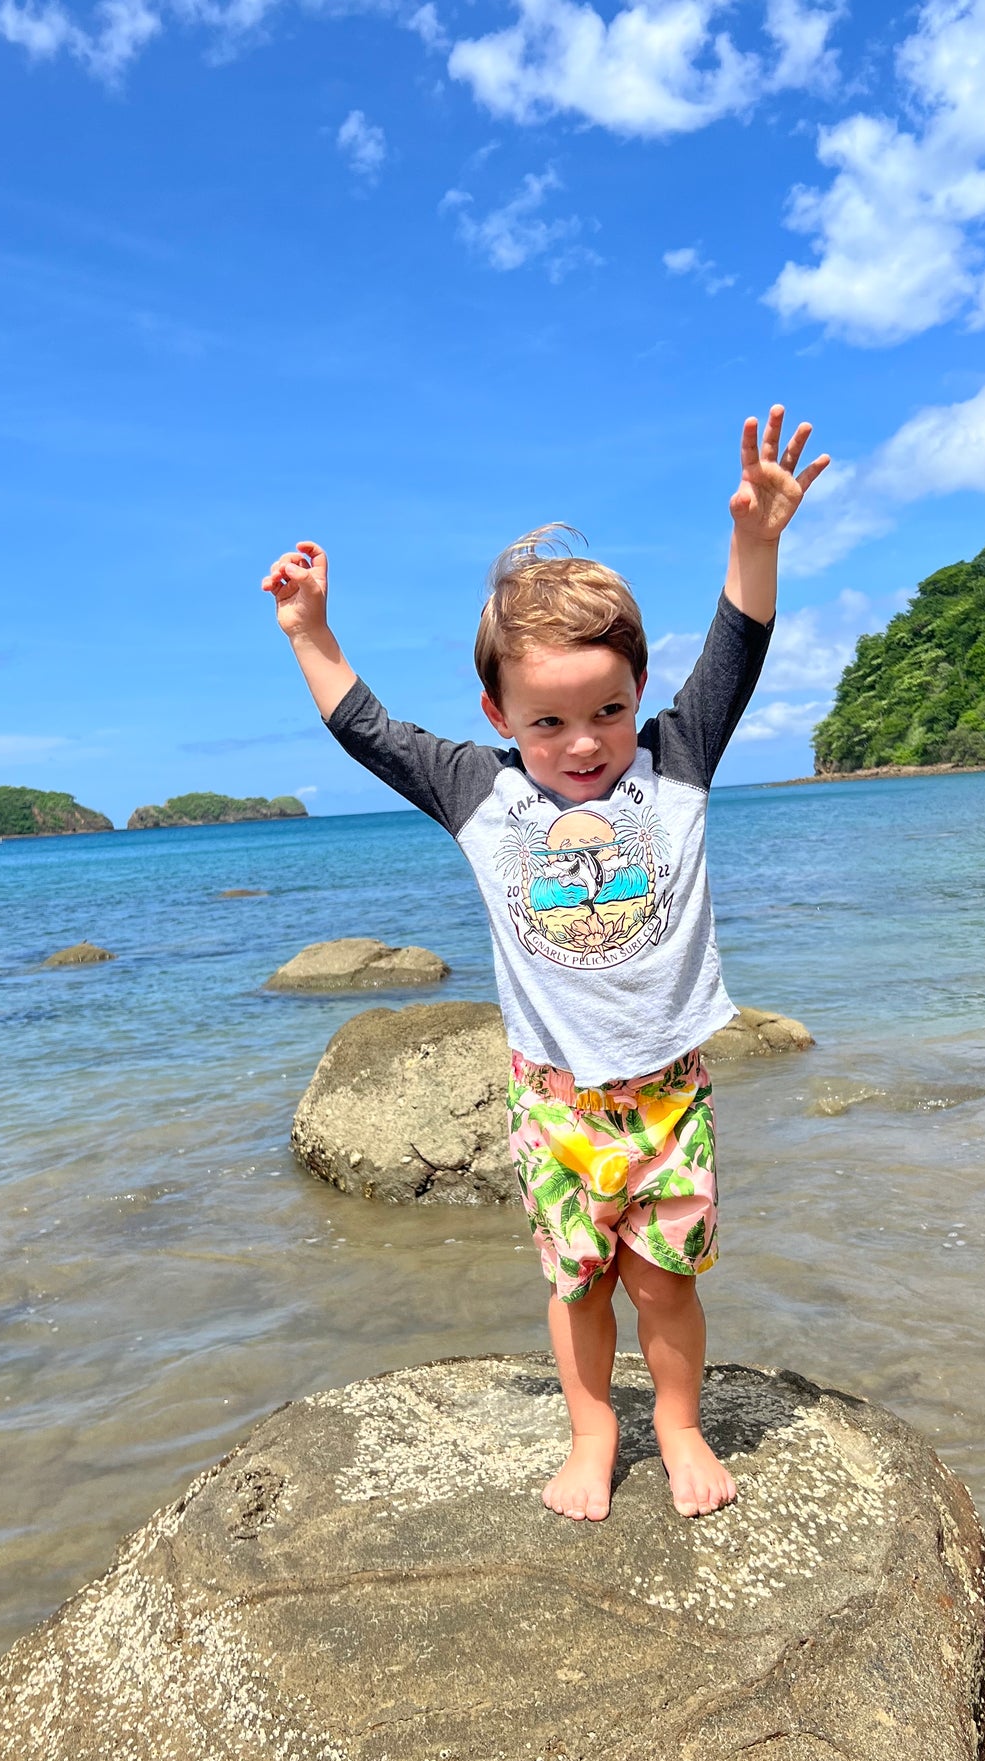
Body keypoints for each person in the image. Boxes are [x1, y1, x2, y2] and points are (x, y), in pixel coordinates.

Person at [264, 406, 829, 1523]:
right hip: (553, 1097)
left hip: (666, 1090)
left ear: (639, 695)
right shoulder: (481, 790)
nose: (583, 742)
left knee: (664, 1279)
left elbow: (738, 643)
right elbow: (366, 729)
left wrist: (755, 538)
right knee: (576, 1281)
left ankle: (675, 1422)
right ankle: (591, 1429)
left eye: (608, 709)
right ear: (497, 714)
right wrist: (307, 631)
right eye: (550, 719)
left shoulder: (675, 760)